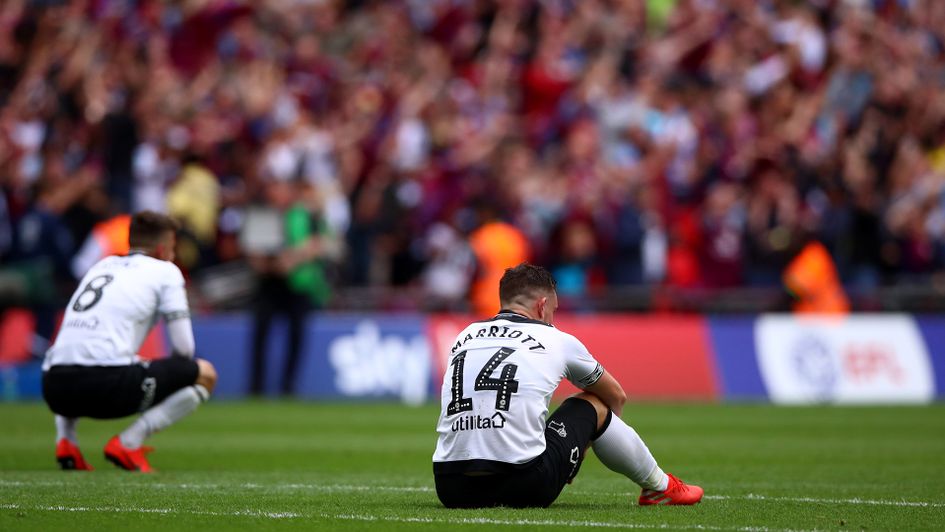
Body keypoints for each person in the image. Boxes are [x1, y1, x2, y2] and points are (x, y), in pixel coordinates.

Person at [432, 263, 703, 508]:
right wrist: (584, 441)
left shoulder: (464, 335)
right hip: (524, 485)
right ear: (541, 305)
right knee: (594, 403)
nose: (553, 317)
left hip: (452, 487)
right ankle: (660, 486)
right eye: (553, 309)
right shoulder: (556, 339)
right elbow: (616, 396)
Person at [41, 211, 218, 473]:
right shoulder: (166, 271)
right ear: (161, 248)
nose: (173, 254)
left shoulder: (101, 266)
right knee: (205, 373)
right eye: (172, 248)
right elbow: (184, 350)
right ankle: (129, 442)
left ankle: (66, 442)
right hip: (105, 388)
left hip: (54, 388)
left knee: (75, 350)